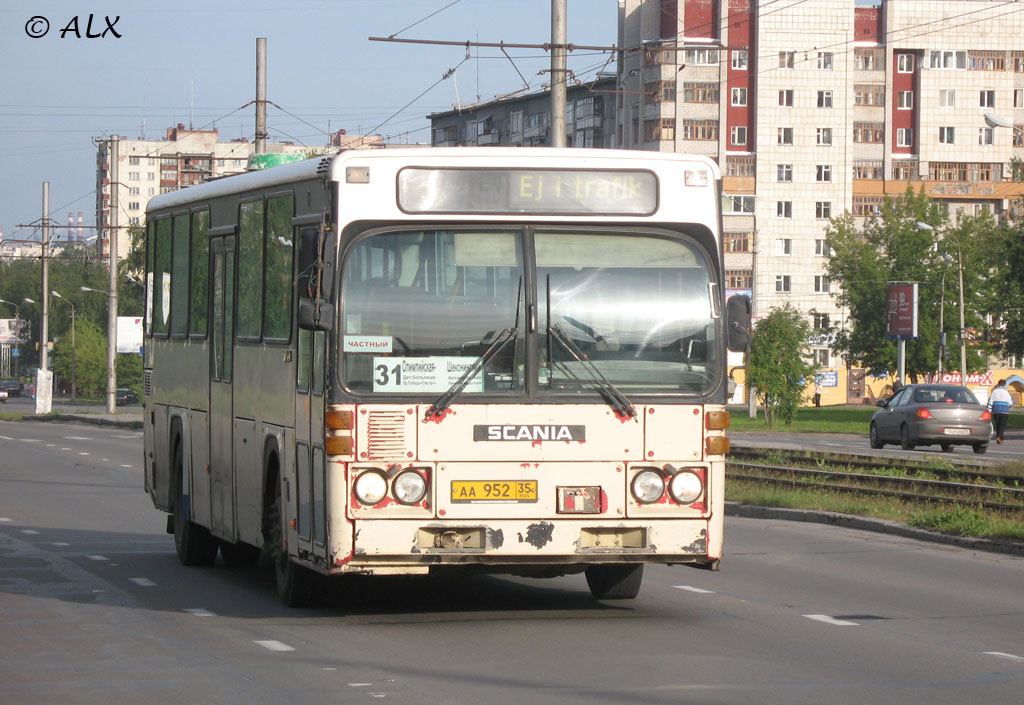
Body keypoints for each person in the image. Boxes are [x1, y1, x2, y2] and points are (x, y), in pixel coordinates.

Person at [988, 379, 1013, 444]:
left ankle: (999, 437)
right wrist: (1010, 407)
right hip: (1004, 411)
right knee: (1002, 425)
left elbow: (991, 401)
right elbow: (1010, 403)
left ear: (998, 384)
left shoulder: (994, 391)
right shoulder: (1006, 392)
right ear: (1005, 385)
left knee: (998, 424)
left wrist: (989, 410)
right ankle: (999, 437)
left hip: (996, 410)